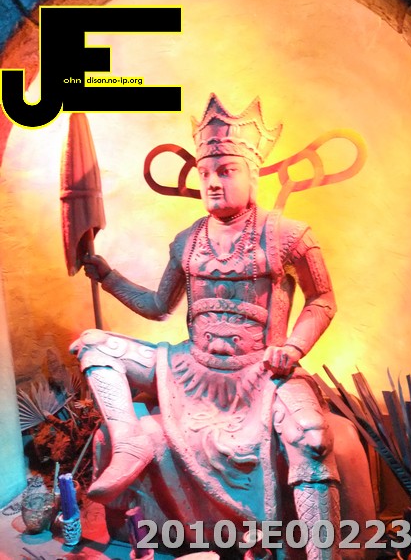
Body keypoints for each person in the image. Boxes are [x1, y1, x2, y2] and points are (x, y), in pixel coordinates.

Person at [71, 94, 353, 559]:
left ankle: (324, 554)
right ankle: (129, 442)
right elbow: (158, 306)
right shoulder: (187, 240)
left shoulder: (289, 235)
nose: (213, 183)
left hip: (262, 370)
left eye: (226, 170)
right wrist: (108, 276)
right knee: (94, 344)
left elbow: (322, 299)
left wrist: (294, 348)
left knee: (312, 436)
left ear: (253, 174)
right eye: (205, 173)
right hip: (192, 367)